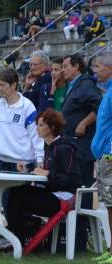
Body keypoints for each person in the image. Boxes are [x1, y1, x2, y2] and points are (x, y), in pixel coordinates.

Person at [0, 69, 44, 251]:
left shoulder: (27, 107)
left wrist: (39, 158)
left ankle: (19, 238)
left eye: (3, 85)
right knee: (2, 202)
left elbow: (36, 136)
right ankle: (6, 238)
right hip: (3, 161)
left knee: (18, 203)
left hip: (22, 163)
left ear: (13, 86)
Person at [6, 109, 81, 245]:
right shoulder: (50, 147)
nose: (37, 129)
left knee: (19, 197)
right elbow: (49, 175)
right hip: (53, 193)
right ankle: (14, 239)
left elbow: (73, 180)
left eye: (41, 125)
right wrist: (28, 171)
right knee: (16, 191)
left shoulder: (63, 148)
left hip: (65, 198)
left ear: (51, 128)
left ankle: (15, 240)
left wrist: (47, 174)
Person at [61, 53, 102, 250]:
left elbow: (99, 107)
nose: (63, 70)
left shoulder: (86, 85)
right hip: (73, 147)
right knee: (73, 192)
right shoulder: (76, 86)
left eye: (66, 66)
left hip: (82, 148)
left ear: (76, 66)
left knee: (81, 193)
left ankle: (80, 240)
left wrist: (83, 123)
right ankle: (72, 237)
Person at [90, 51, 112, 264]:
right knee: (107, 203)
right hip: (103, 155)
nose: (95, 71)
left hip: (109, 155)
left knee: (111, 203)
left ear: (109, 68)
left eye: (98, 66)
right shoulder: (108, 91)